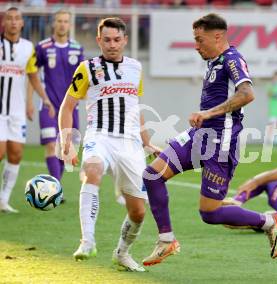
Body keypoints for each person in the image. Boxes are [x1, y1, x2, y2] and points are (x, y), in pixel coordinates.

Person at [142, 13, 277, 266]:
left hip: (221, 144)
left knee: (209, 213)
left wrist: (208, 113)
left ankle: (267, 221)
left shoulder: (232, 59)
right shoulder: (214, 61)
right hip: (200, 136)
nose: (196, 46)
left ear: (217, 36)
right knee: (152, 176)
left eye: (200, 40)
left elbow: (247, 93)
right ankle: (166, 241)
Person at [59, 17, 160, 271]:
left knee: (138, 212)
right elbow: (67, 106)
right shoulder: (86, 68)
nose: (112, 45)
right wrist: (67, 142)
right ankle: (87, 241)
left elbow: (136, 109)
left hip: (130, 143)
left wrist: (148, 143)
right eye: (107, 40)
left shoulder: (135, 68)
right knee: (92, 171)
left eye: (117, 40)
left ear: (125, 40)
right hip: (99, 135)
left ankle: (122, 253)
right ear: (98, 40)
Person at [0, 7, 55, 213]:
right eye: (10, 19)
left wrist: (45, 99)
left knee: (15, 154)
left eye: (17, 19)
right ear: (4, 23)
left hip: (16, 110)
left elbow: (32, 75)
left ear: (22, 23)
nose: (14, 22)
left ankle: (3, 200)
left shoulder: (28, 47)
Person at [27, 10, 84, 186]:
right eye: (59, 21)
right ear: (54, 23)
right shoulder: (42, 47)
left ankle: (53, 186)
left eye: (66, 21)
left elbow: (84, 78)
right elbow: (32, 75)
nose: (62, 24)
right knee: (51, 145)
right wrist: (29, 101)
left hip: (70, 108)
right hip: (48, 107)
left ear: (70, 25)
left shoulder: (77, 48)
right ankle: (55, 188)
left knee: (64, 150)